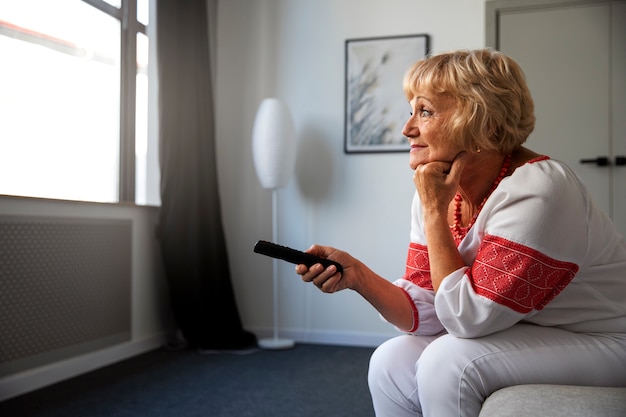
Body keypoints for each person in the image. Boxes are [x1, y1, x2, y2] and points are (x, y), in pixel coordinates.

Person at [295, 48, 626, 417]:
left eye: (426, 111)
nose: (407, 128)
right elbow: (427, 309)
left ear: (485, 124)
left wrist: (434, 211)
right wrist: (359, 277)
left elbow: (466, 320)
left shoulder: (539, 189)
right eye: (412, 110)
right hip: (527, 329)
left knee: (449, 360)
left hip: (606, 339)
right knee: (390, 359)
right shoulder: (436, 191)